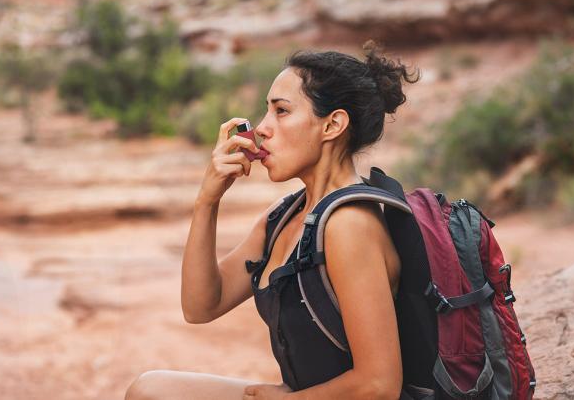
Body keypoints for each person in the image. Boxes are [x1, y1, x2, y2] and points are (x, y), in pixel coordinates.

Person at [125, 41, 420, 400]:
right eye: (266, 112)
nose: (262, 129)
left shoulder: (349, 224)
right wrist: (208, 200)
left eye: (281, 111)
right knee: (151, 390)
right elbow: (201, 305)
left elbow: (379, 384)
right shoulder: (283, 216)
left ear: (333, 125)